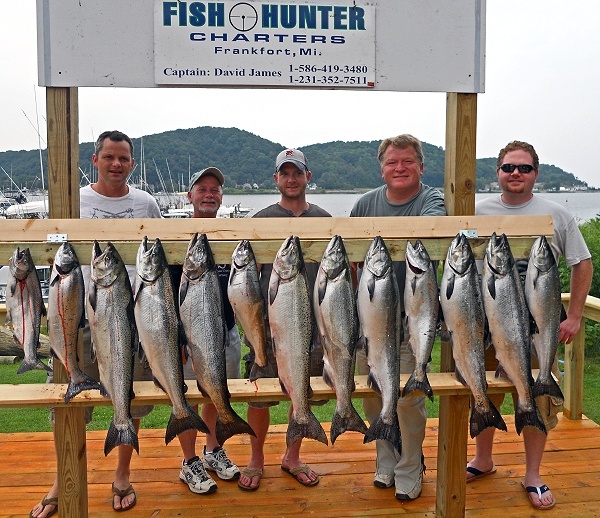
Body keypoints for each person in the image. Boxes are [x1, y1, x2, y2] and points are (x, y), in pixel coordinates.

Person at [30, 130, 162, 517]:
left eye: (123, 158)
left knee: (129, 403)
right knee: (70, 406)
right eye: (109, 157)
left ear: (132, 164)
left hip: (134, 319)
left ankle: (122, 474)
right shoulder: (74, 201)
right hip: (78, 321)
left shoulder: (147, 203)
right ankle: (62, 478)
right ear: (95, 160)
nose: (116, 164)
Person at [467, 140, 593, 510]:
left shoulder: (557, 213)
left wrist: (573, 315)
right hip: (486, 326)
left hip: (540, 330)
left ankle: (533, 474)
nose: (515, 174)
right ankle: (483, 460)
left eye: (523, 168)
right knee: (485, 394)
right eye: (508, 168)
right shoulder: (477, 211)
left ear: (536, 173)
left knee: (538, 396)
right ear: (498, 173)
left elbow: (582, 263)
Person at [350, 134, 446, 501]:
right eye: (392, 162)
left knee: (407, 402)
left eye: (408, 161)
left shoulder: (430, 199)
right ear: (382, 167)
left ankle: (410, 466)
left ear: (421, 166)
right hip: (369, 322)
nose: (400, 168)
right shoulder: (365, 203)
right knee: (374, 395)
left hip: (411, 323)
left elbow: (430, 228)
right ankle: (385, 461)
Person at [237, 148, 331, 491]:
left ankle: (293, 455)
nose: (292, 179)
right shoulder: (260, 219)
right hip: (268, 328)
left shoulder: (324, 220)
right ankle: (256, 457)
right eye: (285, 173)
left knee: (301, 391)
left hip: (311, 329)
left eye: (298, 172)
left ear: (308, 177)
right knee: (259, 397)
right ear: (276, 178)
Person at [173, 167, 243, 495]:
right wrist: (177, 337)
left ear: (221, 197)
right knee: (186, 397)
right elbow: (167, 291)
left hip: (226, 332)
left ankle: (213, 449)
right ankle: (189, 461)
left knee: (216, 393)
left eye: (215, 189)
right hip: (190, 335)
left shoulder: (230, 236)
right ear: (190, 195)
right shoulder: (175, 237)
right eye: (202, 189)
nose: (209, 194)